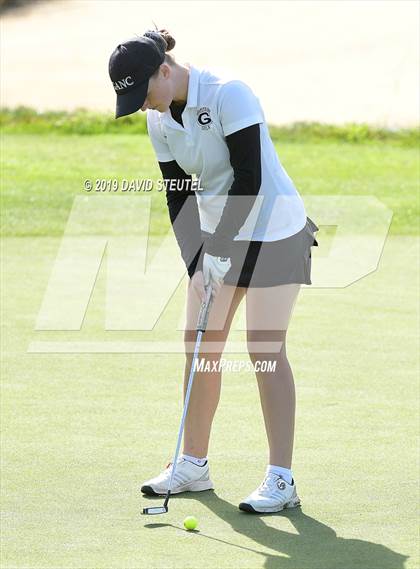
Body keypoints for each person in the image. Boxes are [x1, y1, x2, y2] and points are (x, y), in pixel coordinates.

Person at [108, 28, 319, 514]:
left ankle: (281, 479)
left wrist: (220, 247)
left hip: (275, 232)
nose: (144, 106)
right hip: (219, 237)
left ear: (165, 69)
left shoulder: (229, 94)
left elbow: (250, 177)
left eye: (145, 93)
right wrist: (196, 263)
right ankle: (192, 464)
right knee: (199, 345)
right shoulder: (159, 120)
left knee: (264, 350)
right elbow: (177, 192)